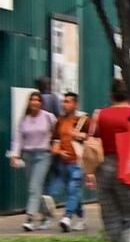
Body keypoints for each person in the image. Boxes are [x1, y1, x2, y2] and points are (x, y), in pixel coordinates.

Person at [85, 80, 130, 242]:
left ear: (111, 95)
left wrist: (89, 172)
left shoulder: (99, 114)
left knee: (110, 214)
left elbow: (91, 143)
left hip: (104, 166)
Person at [9, 92, 58, 230]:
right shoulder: (24, 119)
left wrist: (56, 144)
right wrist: (14, 154)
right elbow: (18, 138)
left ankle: (30, 218)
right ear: (29, 103)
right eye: (32, 100)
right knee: (35, 188)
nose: (35, 102)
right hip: (28, 156)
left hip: (43, 155)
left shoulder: (48, 117)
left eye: (37, 100)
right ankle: (47, 214)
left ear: (41, 103)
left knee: (33, 188)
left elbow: (58, 133)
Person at [50, 92, 90, 231]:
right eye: (64, 101)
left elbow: (92, 138)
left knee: (73, 189)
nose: (64, 104)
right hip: (63, 163)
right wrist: (59, 151)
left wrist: (79, 135)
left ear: (75, 104)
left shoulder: (83, 120)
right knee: (73, 192)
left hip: (78, 162)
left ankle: (66, 217)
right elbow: (55, 141)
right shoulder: (60, 121)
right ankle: (81, 218)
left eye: (68, 102)